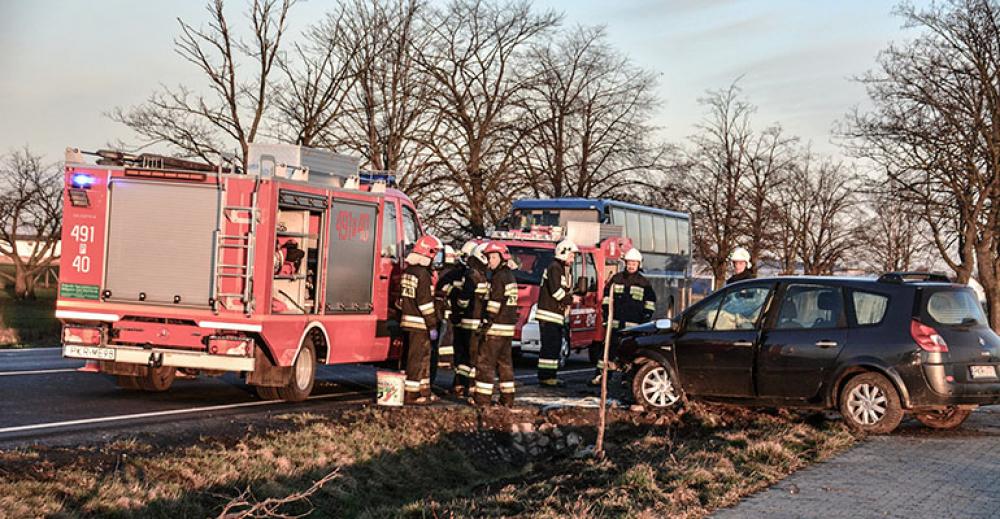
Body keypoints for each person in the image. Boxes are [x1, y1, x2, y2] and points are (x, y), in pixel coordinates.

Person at [593, 247, 656, 385]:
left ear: (639, 264)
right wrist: (606, 315)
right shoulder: (616, 279)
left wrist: (645, 319)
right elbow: (606, 298)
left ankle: (627, 379)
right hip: (615, 323)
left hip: (634, 327)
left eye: (634, 263)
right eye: (629, 263)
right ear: (625, 263)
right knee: (608, 351)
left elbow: (650, 303)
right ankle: (601, 376)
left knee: (630, 354)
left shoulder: (644, 283)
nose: (631, 266)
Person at [473, 242, 518, 407]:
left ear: (502, 258)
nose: (489, 261)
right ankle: (507, 399)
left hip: (495, 329)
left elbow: (494, 303)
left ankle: (482, 400)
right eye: (488, 257)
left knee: (485, 364)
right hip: (507, 330)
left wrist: (486, 322)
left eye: (493, 257)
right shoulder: (510, 276)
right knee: (505, 365)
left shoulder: (499, 277)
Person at [400, 235, 443, 405]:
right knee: (417, 358)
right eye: (434, 254)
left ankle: (423, 390)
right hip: (420, 323)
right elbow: (425, 303)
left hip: (407, 320)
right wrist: (432, 324)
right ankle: (412, 394)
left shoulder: (408, 272)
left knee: (414, 357)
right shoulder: (423, 275)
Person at [535, 239, 579, 387]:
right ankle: (546, 377)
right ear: (564, 253)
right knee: (549, 346)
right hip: (549, 314)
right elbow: (556, 292)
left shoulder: (564, 269)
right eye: (572, 255)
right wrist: (571, 299)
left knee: (554, 346)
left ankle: (550, 376)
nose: (573, 259)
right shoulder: (555, 268)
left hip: (556, 315)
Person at [453, 241, 489, 397]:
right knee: (471, 356)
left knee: (465, 356)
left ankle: (462, 385)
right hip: (476, 322)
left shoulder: (472, 275)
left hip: (467, 320)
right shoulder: (482, 276)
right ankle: (467, 386)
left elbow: (464, 300)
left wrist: (459, 309)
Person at [434, 244, 461, 370]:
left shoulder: (444, 273)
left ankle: (443, 359)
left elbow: (441, 290)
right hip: (451, 308)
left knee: (445, 333)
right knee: (449, 334)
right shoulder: (456, 272)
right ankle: (447, 359)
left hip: (444, 308)